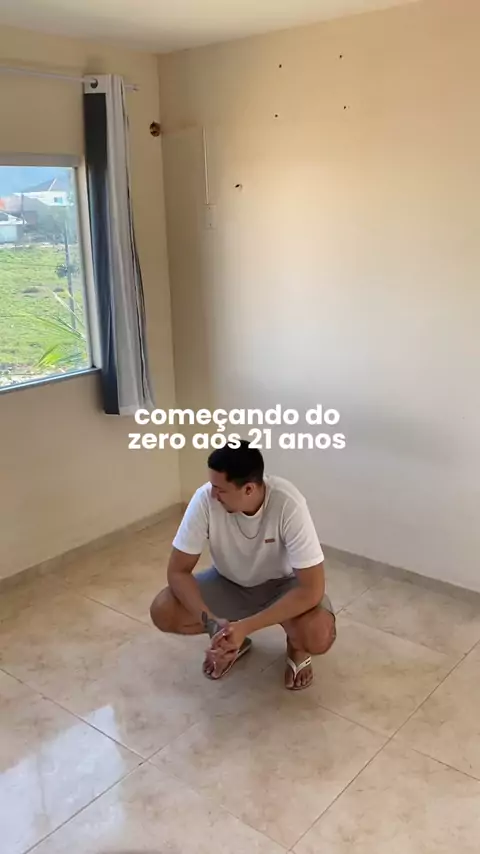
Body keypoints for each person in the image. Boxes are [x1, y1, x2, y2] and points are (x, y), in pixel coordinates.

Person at [150, 439, 336, 690]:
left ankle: (297, 646)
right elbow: (178, 571)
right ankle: (235, 642)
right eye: (212, 486)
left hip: (283, 586)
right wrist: (213, 624)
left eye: (220, 489)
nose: (213, 494)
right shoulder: (205, 499)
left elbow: (312, 588)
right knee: (163, 609)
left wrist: (246, 626)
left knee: (318, 635)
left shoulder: (288, 503)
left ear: (248, 489)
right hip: (229, 583)